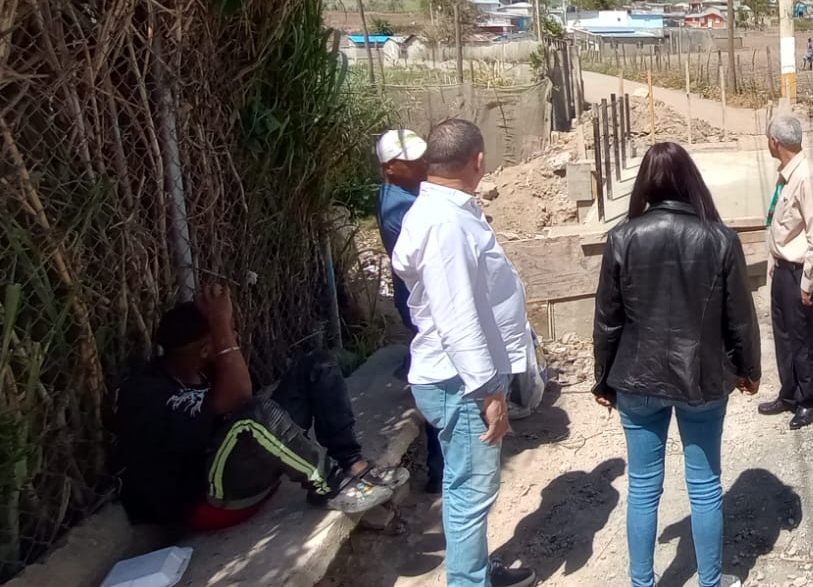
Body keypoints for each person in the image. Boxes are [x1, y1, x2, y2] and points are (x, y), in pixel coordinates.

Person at [593, 142, 761, 587]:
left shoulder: (623, 238)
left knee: (644, 489)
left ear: (645, 183)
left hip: (635, 378)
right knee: (705, 487)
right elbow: (739, 316)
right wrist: (749, 370)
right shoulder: (720, 238)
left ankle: (642, 582)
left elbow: (608, 320)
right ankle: (710, 581)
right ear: (691, 181)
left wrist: (602, 381)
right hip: (701, 380)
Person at [113, 284, 406, 530]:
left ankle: (352, 464)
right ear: (205, 349)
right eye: (228, 339)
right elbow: (241, 399)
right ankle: (331, 486)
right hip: (210, 500)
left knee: (316, 365)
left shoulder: (205, 370)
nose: (234, 342)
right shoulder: (147, 392)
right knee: (254, 415)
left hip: (246, 474)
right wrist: (221, 325)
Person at [392, 119, 537, 587]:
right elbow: (457, 315)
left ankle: (472, 567)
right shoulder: (446, 225)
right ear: (477, 161)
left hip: (455, 375)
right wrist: (488, 390)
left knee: (467, 485)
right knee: (470, 489)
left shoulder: (440, 211)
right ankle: (468, 581)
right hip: (459, 380)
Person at [375, 128, 445, 494]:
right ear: (390, 167)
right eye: (412, 159)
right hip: (424, 304)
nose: (422, 162)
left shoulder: (398, 194)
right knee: (441, 377)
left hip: (417, 301)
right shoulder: (401, 208)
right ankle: (440, 469)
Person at [759, 113, 813, 429]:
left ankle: (808, 398)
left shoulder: (807, 178)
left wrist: (809, 281)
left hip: (802, 270)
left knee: (803, 336)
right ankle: (789, 392)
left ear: (775, 142)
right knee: (784, 334)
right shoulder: (787, 174)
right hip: (784, 268)